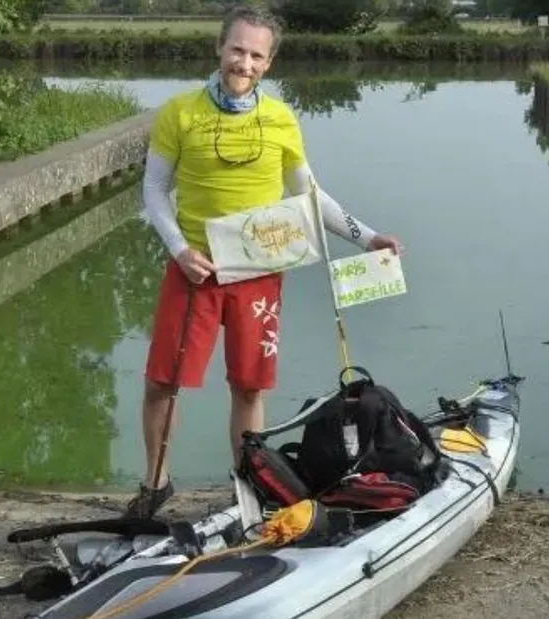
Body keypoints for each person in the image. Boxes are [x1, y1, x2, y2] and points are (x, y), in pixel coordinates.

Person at [123, 5, 402, 520]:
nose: (244, 63)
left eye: (256, 55)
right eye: (237, 50)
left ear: (268, 63)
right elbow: (155, 189)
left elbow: (309, 195)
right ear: (219, 48)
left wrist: (367, 239)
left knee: (249, 385)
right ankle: (155, 483)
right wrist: (180, 250)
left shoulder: (280, 119)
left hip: (258, 274)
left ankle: (247, 486)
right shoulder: (179, 113)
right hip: (194, 269)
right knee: (163, 382)